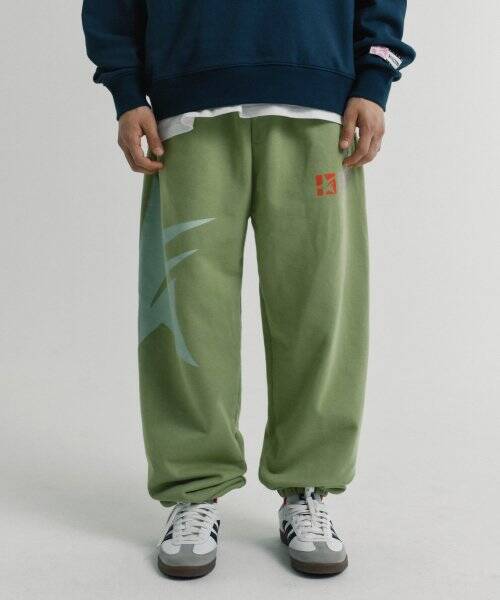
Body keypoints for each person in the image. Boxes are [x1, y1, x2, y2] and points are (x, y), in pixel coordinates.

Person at [82, 0, 414, 579]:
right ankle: (194, 488)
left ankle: (307, 486)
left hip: (320, 102)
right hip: (188, 102)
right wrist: (126, 89)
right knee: (188, 311)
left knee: (320, 307)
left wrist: (375, 76)